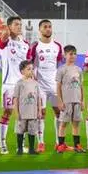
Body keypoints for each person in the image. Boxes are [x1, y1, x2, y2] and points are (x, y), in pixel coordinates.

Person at [28, 19, 63, 153]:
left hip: (54, 85)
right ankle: (41, 143)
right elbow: (29, 63)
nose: (48, 29)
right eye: (45, 27)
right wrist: (33, 76)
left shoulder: (57, 46)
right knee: (40, 114)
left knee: (58, 112)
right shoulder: (35, 46)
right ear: (40, 30)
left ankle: (59, 142)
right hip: (40, 86)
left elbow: (59, 64)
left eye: (49, 27)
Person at [0, 16, 30, 154]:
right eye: (16, 24)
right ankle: (2, 144)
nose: (19, 27)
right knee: (8, 112)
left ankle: (20, 144)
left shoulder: (25, 44)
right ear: (9, 26)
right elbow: (3, 37)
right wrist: (7, 31)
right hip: (9, 84)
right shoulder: (5, 41)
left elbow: (28, 65)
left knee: (23, 115)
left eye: (20, 24)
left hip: (23, 84)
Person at [56, 45, 85, 153]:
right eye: (70, 54)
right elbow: (58, 87)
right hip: (66, 101)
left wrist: (82, 100)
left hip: (77, 100)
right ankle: (61, 145)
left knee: (76, 123)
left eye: (74, 54)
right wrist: (60, 101)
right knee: (63, 124)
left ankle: (77, 145)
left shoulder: (78, 69)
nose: (72, 56)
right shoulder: (61, 69)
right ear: (65, 55)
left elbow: (81, 86)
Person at [13, 60, 41, 155]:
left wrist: (39, 110)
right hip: (22, 113)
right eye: (28, 69)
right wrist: (16, 113)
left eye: (32, 69)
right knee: (20, 131)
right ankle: (20, 149)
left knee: (32, 131)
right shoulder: (19, 83)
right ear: (22, 71)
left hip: (33, 113)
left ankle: (31, 149)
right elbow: (15, 99)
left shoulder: (35, 83)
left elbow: (38, 98)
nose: (31, 71)